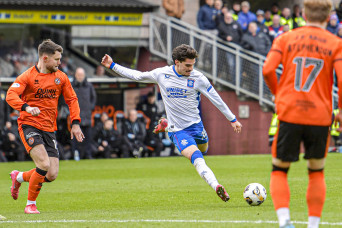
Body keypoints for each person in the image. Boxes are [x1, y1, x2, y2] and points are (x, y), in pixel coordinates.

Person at [101, 44, 242, 202]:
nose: (191, 69)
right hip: (179, 130)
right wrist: (113, 65)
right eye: (187, 65)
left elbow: (215, 98)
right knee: (196, 158)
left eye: (193, 65)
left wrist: (233, 119)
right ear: (177, 62)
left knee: (203, 150)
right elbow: (138, 76)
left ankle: (165, 124)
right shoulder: (162, 74)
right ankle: (216, 185)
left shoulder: (198, 78)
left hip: (197, 126)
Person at [262, 0, 342, 227]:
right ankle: (313, 225)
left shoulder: (285, 38)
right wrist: (341, 112)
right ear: (329, 16)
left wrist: (276, 94)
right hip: (320, 116)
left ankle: (284, 222)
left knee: (280, 169)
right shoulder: (337, 43)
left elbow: (268, 69)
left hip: (290, 112)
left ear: (303, 13)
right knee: (316, 171)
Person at [6, 39, 84, 214]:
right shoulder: (27, 76)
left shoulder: (61, 77)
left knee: (51, 174)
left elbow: (72, 100)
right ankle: (30, 205)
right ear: (45, 58)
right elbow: (11, 95)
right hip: (29, 125)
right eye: (57, 59)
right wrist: (26, 107)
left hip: (49, 128)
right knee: (43, 163)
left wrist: (76, 123)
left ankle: (18, 176)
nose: (60, 63)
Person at [71, 67, 97, 159]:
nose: (80, 77)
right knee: (74, 137)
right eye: (78, 75)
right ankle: (74, 154)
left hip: (87, 116)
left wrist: (90, 108)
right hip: (75, 117)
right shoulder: (71, 86)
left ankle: (88, 154)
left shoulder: (89, 86)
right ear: (75, 75)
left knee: (88, 137)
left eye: (82, 75)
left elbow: (93, 98)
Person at [136, 92, 165, 157]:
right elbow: (138, 114)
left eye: (153, 98)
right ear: (148, 98)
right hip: (144, 127)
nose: (151, 99)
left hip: (152, 127)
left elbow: (156, 117)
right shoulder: (142, 105)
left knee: (158, 141)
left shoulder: (155, 106)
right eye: (150, 98)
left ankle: (154, 156)